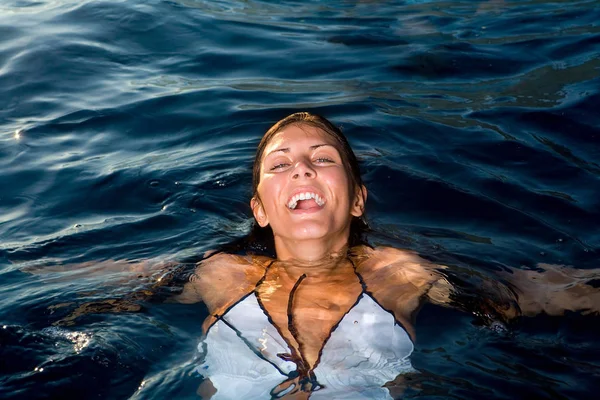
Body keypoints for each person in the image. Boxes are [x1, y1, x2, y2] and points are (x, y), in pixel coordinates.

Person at [172, 112, 600, 399]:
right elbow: (113, 287)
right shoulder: (220, 274)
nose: (302, 169)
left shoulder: (399, 273)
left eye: (322, 158)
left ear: (358, 200)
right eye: (280, 165)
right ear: (260, 210)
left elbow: (517, 297)